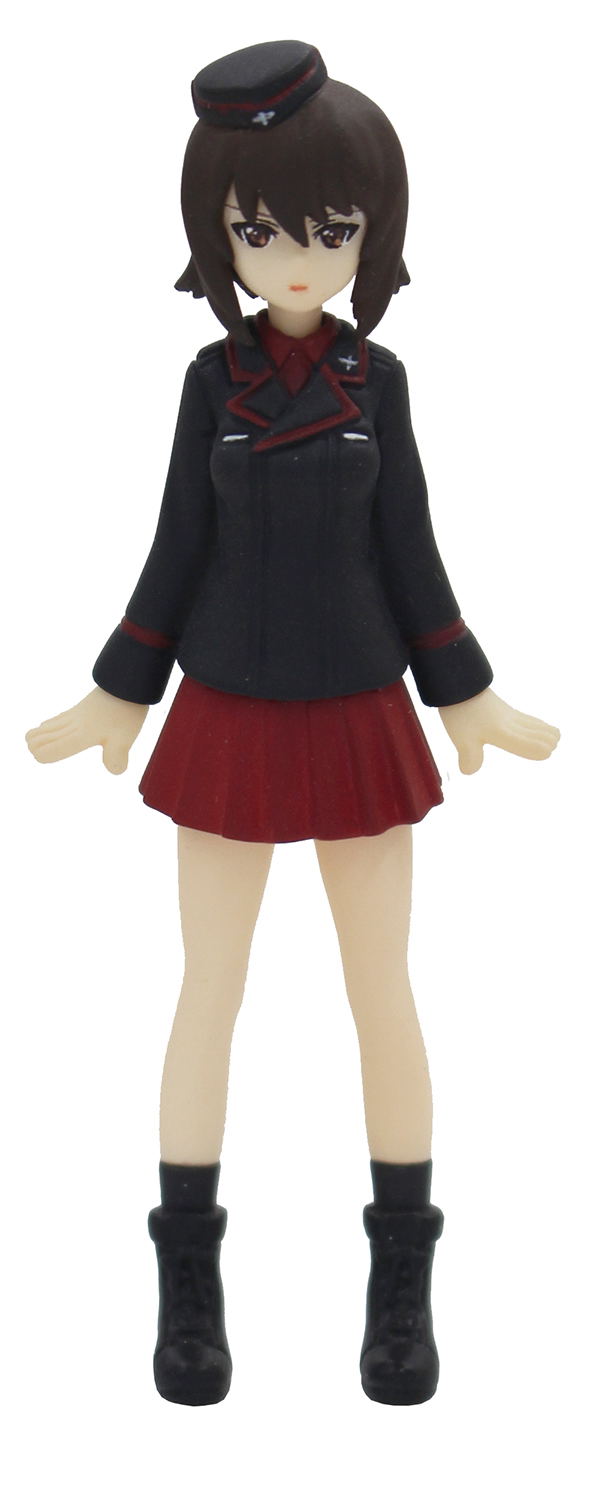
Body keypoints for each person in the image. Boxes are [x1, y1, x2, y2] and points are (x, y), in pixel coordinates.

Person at [25, 40, 560, 1407]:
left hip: (362, 711)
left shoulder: (384, 386)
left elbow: (412, 548)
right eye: (261, 231)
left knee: (383, 992)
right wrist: (120, 690)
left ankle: (401, 1297)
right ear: (219, 238)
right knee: (210, 991)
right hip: (226, 713)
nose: (300, 260)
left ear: (374, 233)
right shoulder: (210, 386)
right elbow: (176, 546)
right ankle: (188, 1296)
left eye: (332, 229)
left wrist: (466, 692)